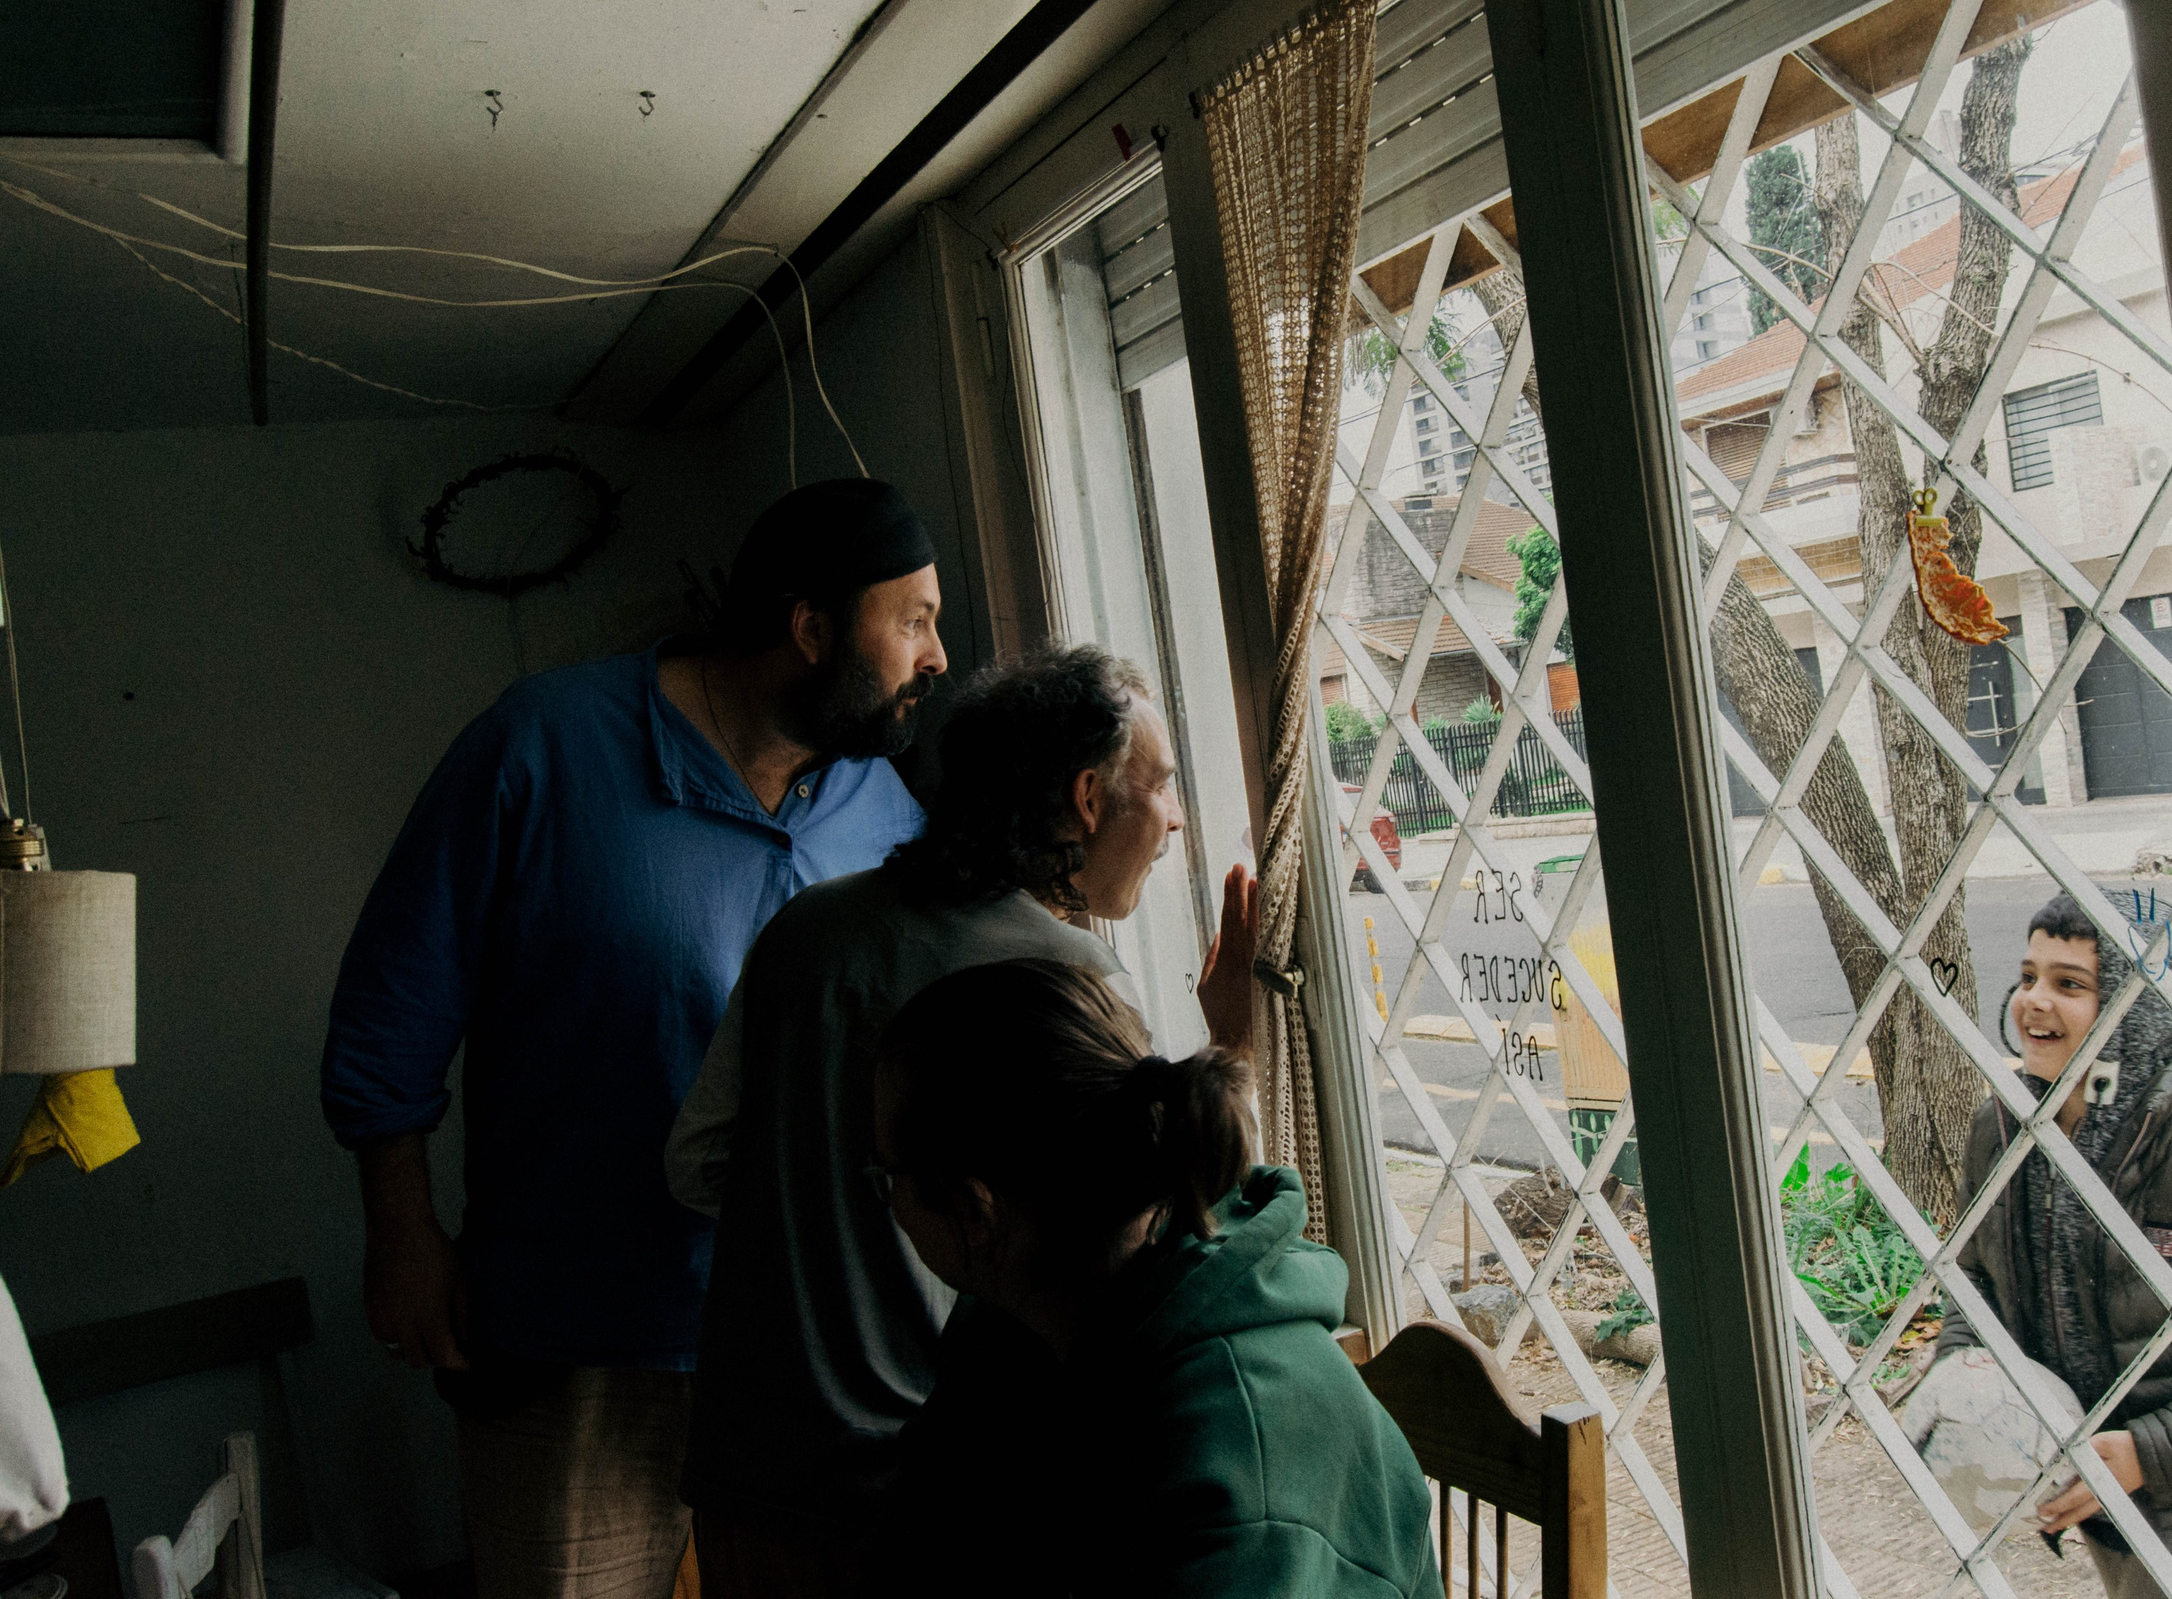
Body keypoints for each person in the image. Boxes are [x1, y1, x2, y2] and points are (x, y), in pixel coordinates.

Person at [320, 478, 948, 1599]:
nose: (938, 654)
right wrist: (401, 1234)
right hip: (579, 1346)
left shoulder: (882, 806)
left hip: (814, 1343)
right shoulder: (544, 746)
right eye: (913, 620)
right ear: (809, 631)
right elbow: (393, 1001)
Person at [667, 644, 1257, 1598]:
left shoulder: (805, 929)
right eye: (1165, 785)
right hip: (929, 1496)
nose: (1180, 816)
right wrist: (1234, 1042)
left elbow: (693, 1165)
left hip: (747, 1481)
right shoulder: (1068, 980)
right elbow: (1150, 1259)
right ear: (1089, 800)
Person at [874, 958, 1437, 1597]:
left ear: (973, 1211)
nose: (887, 1201)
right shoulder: (1015, 1324)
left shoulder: (1242, 1486)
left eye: (886, 1174)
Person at [1927, 891, 2172, 1598]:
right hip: (2102, 1514)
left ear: (2142, 1013)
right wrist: (1963, 1383)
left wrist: (2142, 1453)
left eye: (2070, 983)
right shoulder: (2002, 1134)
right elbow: (1973, 1286)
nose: (2032, 1000)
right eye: (2029, 974)